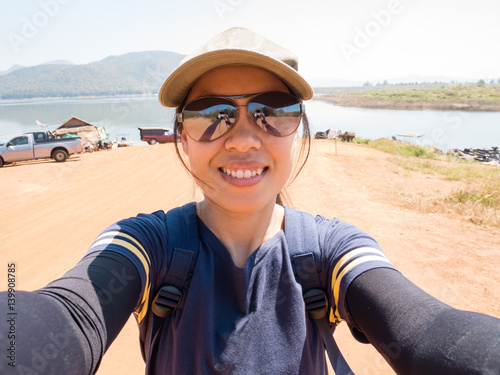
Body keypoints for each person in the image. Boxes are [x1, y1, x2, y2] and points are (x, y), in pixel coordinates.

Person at [1, 27, 500, 375]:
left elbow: (429, 331)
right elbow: (66, 314)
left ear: (298, 129)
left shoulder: (328, 251)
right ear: (182, 138)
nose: (241, 139)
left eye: (272, 112)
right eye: (211, 114)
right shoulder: (147, 246)